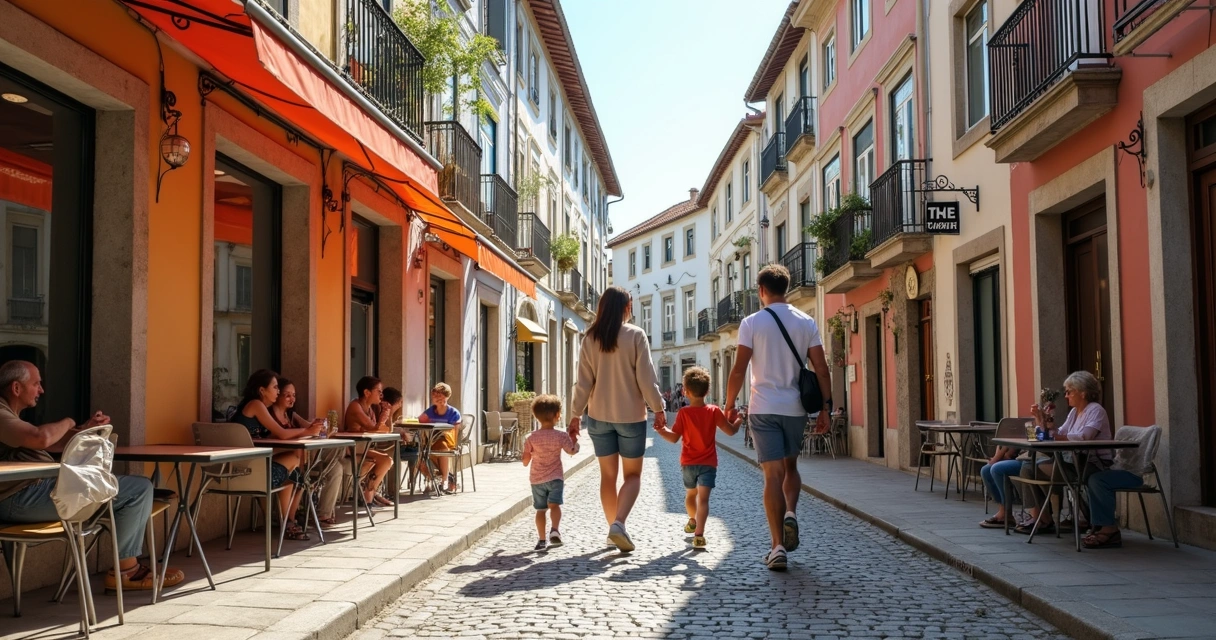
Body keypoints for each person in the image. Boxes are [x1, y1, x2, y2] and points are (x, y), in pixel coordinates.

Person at [0, 360, 185, 591]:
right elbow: (41, 438)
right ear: (16, 388)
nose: (41, 390)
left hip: (30, 494)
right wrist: (69, 421)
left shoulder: (12, 417)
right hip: (18, 500)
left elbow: (52, 444)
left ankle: (125, 566)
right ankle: (127, 572)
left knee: (130, 491)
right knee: (138, 489)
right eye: (36, 383)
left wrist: (85, 428)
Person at [724, 264, 832, 571]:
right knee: (791, 466)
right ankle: (791, 514)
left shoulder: (751, 322)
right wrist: (825, 407)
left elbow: (738, 369)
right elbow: (821, 369)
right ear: (786, 288)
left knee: (772, 475)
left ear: (761, 291)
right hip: (795, 408)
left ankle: (777, 547)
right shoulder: (806, 320)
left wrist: (730, 403)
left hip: (763, 407)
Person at [569, 286, 666, 553]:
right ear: (626, 307)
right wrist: (658, 407)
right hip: (631, 418)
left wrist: (575, 415)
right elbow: (646, 379)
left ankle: (613, 526)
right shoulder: (635, 335)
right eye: (631, 305)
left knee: (607, 477)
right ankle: (619, 524)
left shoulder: (589, 338)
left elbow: (583, 383)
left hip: (598, 417)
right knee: (632, 475)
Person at [654, 367, 741, 549]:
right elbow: (731, 431)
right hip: (708, 463)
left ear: (685, 391)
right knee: (704, 500)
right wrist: (738, 421)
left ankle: (692, 520)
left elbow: (674, 437)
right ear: (708, 391)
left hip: (688, 463)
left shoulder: (684, 413)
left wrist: (661, 430)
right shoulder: (714, 411)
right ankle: (699, 535)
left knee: (690, 495)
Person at [1015, 371, 1111, 535]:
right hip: (1071, 462)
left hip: (1090, 464)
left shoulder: (1096, 410)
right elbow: (1059, 432)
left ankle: (1059, 516)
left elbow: (1085, 437)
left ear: (1083, 392)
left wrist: (1056, 436)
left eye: (1069, 391)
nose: (1066, 396)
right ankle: (1042, 518)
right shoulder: (1074, 412)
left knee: (1033, 469)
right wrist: (1041, 420)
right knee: (1027, 468)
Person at [230, 370, 318, 540]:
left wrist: (307, 430)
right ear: (262, 390)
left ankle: (287, 521)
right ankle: (288, 522)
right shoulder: (256, 405)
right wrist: (308, 431)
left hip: (247, 469)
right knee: (293, 463)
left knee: (293, 471)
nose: (278, 391)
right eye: (275, 387)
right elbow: (283, 434)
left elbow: (271, 437)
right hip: (247, 473)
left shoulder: (260, 408)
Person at [272, 376, 342, 527]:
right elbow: (289, 434)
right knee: (334, 463)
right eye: (287, 395)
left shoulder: (291, 415)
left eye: (294, 395)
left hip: (300, 459)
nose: (292, 399)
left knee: (338, 455)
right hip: (282, 461)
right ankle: (308, 493)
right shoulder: (270, 415)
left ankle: (311, 490)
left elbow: (309, 428)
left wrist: (319, 427)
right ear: (277, 395)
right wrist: (309, 430)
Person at [521, 394, 579, 550]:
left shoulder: (530, 438)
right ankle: (554, 530)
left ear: (536, 416)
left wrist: (529, 455)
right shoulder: (561, 435)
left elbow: (525, 462)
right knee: (554, 506)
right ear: (557, 415)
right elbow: (572, 451)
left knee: (540, 510)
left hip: (537, 480)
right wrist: (574, 440)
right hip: (555, 478)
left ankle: (541, 540)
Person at [345, 376, 396, 507]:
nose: (381, 394)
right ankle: (369, 496)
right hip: (351, 449)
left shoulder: (370, 409)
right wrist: (381, 420)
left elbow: (386, 431)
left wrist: (388, 415)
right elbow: (373, 428)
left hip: (363, 448)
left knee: (387, 460)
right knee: (385, 460)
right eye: (379, 391)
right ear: (367, 392)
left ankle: (369, 493)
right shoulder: (355, 406)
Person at [417, 382, 461, 494]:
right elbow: (420, 420)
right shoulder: (430, 411)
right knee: (418, 458)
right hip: (430, 443)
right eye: (435, 396)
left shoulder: (453, 413)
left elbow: (454, 434)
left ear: (447, 397)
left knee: (441, 446)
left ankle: (444, 480)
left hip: (447, 443)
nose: (437, 398)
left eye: (440, 396)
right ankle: (444, 478)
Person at [978, 443, 1023, 529]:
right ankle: (1003, 511)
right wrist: (1000, 454)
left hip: (1028, 459)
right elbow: (1003, 441)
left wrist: (998, 457)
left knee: (996, 469)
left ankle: (1006, 512)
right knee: (986, 471)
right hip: (1017, 456)